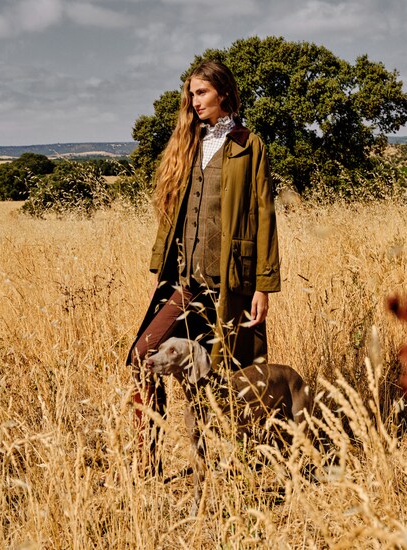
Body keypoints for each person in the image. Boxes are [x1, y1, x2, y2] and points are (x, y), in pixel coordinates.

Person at [126, 60, 281, 470]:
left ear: (223, 93)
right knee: (142, 357)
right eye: (191, 94)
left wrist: (263, 285)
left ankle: (227, 466)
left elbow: (264, 216)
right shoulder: (187, 143)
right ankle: (147, 462)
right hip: (184, 282)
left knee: (221, 379)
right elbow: (170, 214)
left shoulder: (249, 145)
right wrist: (160, 271)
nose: (194, 102)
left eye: (202, 93)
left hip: (231, 283)